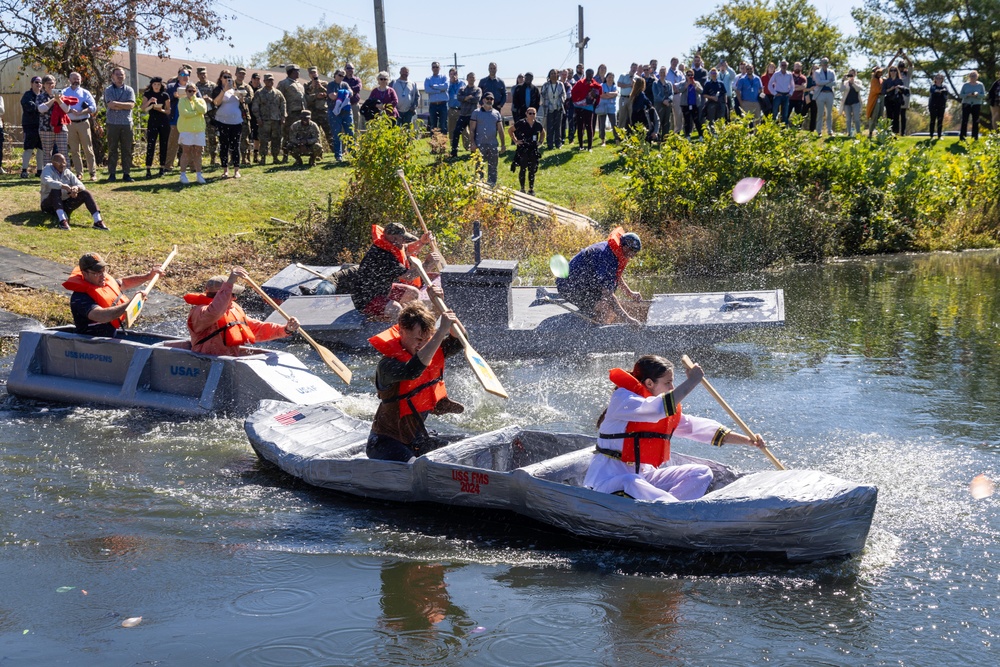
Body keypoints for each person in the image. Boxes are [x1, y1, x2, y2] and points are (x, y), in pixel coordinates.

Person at [583, 356, 766, 502]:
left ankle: (671, 514)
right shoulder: (624, 400)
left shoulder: (660, 408)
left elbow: (696, 428)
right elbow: (656, 409)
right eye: (668, 383)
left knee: (701, 472)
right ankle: (675, 513)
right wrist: (692, 382)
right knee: (631, 481)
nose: (672, 387)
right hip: (606, 484)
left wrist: (748, 441)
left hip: (644, 478)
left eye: (673, 382)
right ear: (649, 383)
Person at [366, 300, 466, 463]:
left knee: (465, 445)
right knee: (418, 468)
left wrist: (441, 306)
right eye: (418, 339)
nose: (422, 345)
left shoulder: (431, 351)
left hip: (417, 440)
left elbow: (460, 340)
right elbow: (412, 370)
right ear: (402, 330)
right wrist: (441, 332)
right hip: (386, 444)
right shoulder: (387, 366)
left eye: (427, 340)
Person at [186, 267, 299, 356]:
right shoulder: (200, 311)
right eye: (232, 294)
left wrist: (286, 329)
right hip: (205, 362)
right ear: (221, 295)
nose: (235, 298)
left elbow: (257, 329)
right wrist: (230, 282)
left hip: (228, 361)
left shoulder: (233, 309)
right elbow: (215, 311)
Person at [351, 222, 439, 320]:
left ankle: (410, 322)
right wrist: (427, 265)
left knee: (413, 293)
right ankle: (395, 329)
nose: (404, 241)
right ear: (393, 238)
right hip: (366, 299)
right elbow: (408, 276)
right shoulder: (383, 256)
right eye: (402, 238)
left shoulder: (390, 244)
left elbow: (407, 249)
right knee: (396, 309)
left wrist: (422, 242)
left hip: (383, 290)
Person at [555, 227, 644, 325]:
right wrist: (627, 319)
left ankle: (598, 322)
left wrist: (629, 293)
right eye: (633, 252)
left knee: (608, 304)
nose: (632, 256)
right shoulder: (606, 257)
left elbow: (614, 275)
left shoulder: (615, 251)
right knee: (606, 307)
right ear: (626, 247)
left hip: (584, 283)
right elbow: (608, 293)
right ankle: (597, 334)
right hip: (569, 287)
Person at [63, 252, 164, 336]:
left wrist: (147, 276)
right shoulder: (80, 298)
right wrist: (130, 304)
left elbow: (124, 283)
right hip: (92, 345)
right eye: (97, 273)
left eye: (104, 271)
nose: (103, 276)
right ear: (85, 274)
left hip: (111, 337)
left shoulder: (104, 282)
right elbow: (101, 316)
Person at [41, 153, 108, 231]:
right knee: (55, 190)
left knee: (85, 193)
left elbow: (81, 185)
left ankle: (98, 221)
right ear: (53, 163)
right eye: (60, 163)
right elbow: (47, 181)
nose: (63, 165)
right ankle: (62, 221)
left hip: (64, 203)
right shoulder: (47, 169)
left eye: (64, 163)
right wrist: (63, 186)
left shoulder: (67, 171)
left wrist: (76, 188)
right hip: (49, 204)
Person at [62, 72, 98, 181]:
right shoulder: (64, 92)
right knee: (74, 150)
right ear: (69, 79)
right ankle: (79, 173)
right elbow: (59, 105)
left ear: (81, 80)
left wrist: (83, 111)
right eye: (74, 78)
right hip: (70, 123)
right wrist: (69, 110)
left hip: (83, 122)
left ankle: (92, 173)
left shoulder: (85, 93)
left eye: (78, 78)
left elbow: (93, 107)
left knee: (88, 148)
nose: (76, 80)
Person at [103, 67, 136, 182]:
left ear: (124, 76)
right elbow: (110, 105)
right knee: (112, 149)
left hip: (126, 123)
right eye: (117, 74)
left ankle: (126, 174)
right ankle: (112, 174)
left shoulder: (129, 90)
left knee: (126, 149)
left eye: (121, 74)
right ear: (112, 76)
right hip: (112, 123)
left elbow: (131, 105)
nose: (119, 76)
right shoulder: (108, 90)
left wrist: (116, 104)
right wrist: (123, 105)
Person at [212, 69, 244, 178]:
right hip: (222, 122)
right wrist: (224, 90)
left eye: (229, 77)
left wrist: (241, 98)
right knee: (224, 145)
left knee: (235, 146)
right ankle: (225, 170)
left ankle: (236, 170)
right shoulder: (218, 89)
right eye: (225, 77)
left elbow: (242, 103)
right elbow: (216, 103)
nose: (227, 79)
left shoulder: (235, 90)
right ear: (221, 78)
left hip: (236, 122)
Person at [469, 92, 505, 187]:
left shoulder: (496, 113)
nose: (489, 100)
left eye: (491, 99)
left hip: (493, 144)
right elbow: (472, 129)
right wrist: (472, 143)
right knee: (479, 167)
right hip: (479, 145)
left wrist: (503, 144)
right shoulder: (476, 112)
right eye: (487, 98)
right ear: (483, 100)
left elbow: (501, 130)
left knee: (493, 168)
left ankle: (491, 186)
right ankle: (480, 186)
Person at [35, 76, 70, 168]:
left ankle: (66, 173)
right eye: (48, 83)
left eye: (52, 83)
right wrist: (53, 100)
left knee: (64, 152)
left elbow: (66, 110)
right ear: (44, 85)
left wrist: (59, 100)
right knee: (47, 153)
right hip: (46, 128)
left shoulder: (63, 96)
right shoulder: (40, 97)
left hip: (61, 127)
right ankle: (48, 174)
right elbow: (41, 109)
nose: (50, 85)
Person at [177, 82, 208, 184]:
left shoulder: (200, 100)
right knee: (186, 151)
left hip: (199, 130)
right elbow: (184, 113)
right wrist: (196, 113)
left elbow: (203, 110)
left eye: (193, 91)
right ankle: (183, 175)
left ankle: (199, 174)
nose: (191, 93)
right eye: (189, 91)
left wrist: (195, 99)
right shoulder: (182, 100)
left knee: (198, 152)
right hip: (186, 130)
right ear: (186, 91)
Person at [508, 107, 544, 194]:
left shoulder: (537, 124)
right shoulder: (521, 123)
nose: (532, 115)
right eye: (530, 113)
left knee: (532, 169)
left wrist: (540, 142)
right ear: (526, 114)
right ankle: (522, 188)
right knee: (523, 168)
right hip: (523, 148)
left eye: (533, 114)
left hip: (533, 149)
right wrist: (516, 140)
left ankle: (531, 189)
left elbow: (543, 132)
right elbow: (510, 130)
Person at [141, 77, 171, 177]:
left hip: (163, 121)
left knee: (163, 144)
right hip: (152, 121)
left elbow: (168, 110)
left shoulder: (165, 95)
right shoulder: (148, 94)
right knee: (151, 144)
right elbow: (143, 108)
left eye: (158, 84)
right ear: (152, 85)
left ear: (161, 85)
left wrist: (160, 110)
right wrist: (150, 101)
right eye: (155, 84)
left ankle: (162, 168)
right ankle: (148, 169)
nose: (156, 86)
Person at [252, 73, 286, 164]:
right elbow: (255, 106)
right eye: (268, 80)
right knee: (263, 140)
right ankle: (263, 158)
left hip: (276, 120)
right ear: (264, 81)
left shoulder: (278, 93)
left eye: (271, 80)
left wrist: (283, 116)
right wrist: (258, 118)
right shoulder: (259, 93)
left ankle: (275, 157)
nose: (270, 82)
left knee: (276, 139)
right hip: (264, 121)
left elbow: (283, 104)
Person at [166, 67, 194, 169]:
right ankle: (168, 165)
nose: (185, 77)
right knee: (172, 144)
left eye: (187, 75)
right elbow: (165, 99)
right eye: (182, 75)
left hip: (188, 121)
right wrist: (173, 96)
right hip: (174, 119)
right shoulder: (171, 87)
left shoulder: (192, 87)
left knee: (189, 144)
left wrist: (190, 96)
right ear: (178, 76)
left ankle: (192, 166)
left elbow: (199, 99)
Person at [277, 64, 306, 163]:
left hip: (301, 114)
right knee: (287, 135)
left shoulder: (300, 84)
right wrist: (282, 114)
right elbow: (279, 99)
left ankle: (298, 156)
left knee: (300, 134)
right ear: (291, 72)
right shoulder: (283, 83)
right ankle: (285, 156)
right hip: (290, 114)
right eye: (296, 71)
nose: (298, 73)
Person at [450, 72, 480, 157]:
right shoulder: (462, 89)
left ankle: (474, 152)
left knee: (474, 134)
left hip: (473, 116)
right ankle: (454, 152)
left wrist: (465, 99)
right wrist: (468, 97)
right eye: (469, 77)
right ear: (467, 79)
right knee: (456, 132)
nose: (471, 79)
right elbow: (459, 98)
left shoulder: (478, 89)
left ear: (475, 79)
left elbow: (476, 99)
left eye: (473, 77)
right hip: (463, 115)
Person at [571, 68, 602, 151]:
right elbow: (573, 92)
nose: (589, 76)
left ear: (592, 74)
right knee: (580, 126)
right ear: (586, 73)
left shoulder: (595, 84)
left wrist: (594, 98)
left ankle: (589, 147)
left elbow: (598, 93)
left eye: (591, 74)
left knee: (589, 126)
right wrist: (577, 100)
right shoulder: (580, 82)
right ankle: (581, 146)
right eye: (587, 74)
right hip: (579, 107)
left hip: (588, 107)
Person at [19, 76, 44, 177]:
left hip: (42, 125)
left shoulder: (43, 95)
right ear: (32, 84)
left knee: (41, 149)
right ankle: (24, 171)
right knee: (28, 148)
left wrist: (43, 108)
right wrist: (42, 108)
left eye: (40, 82)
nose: (38, 84)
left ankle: (40, 171)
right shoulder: (27, 95)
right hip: (30, 126)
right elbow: (29, 106)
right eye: (36, 82)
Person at [194, 67, 218, 166]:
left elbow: (218, 100)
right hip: (199, 116)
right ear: (197, 75)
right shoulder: (195, 87)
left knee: (213, 138)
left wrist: (211, 100)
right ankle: (198, 159)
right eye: (200, 74)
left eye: (204, 74)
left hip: (211, 115)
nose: (202, 76)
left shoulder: (213, 86)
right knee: (199, 138)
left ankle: (213, 158)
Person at [327, 73, 354, 162]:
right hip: (335, 113)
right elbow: (332, 96)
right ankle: (338, 155)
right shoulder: (331, 85)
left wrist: (341, 93)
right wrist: (342, 93)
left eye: (343, 76)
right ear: (335, 75)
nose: (341, 77)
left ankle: (353, 153)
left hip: (346, 112)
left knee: (350, 133)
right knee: (337, 134)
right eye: (339, 75)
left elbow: (351, 93)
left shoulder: (345, 84)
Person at [304, 66, 331, 148]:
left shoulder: (324, 83)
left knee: (329, 132)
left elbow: (330, 95)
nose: (313, 74)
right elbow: (306, 98)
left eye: (314, 72)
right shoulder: (306, 85)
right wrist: (314, 93)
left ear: (317, 73)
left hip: (323, 111)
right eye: (311, 73)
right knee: (315, 133)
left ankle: (335, 151)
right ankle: (318, 152)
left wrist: (321, 87)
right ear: (309, 75)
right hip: (313, 112)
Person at [233, 67, 256, 164]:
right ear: (236, 73)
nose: (241, 75)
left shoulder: (247, 87)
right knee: (233, 137)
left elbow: (251, 98)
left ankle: (244, 158)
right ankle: (233, 158)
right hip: (232, 114)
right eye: (239, 73)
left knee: (244, 138)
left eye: (243, 74)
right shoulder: (230, 85)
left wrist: (243, 100)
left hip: (243, 115)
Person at [540, 69, 566, 149]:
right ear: (549, 75)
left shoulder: (560, 84)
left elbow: (564, 94)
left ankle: (558, 144)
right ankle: (550, 144)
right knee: (549, 127)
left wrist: (561, 100)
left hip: (558, 108)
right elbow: (542, 95)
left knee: (558, 126)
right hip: (549, 108)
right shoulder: (546, 85)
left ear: (557, 75)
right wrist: (545, 103)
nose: (553, 75)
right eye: (552, 73)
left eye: (555, 73)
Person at [959, 71, 986, 141]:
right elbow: (961, 95)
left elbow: (984, 95)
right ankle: (962, 137)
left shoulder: (980, 85)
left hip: (976, 104)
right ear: (969, 77)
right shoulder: (965, 85)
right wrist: (967, 95)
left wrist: (977, 95)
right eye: (971, 76)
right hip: (966, 104)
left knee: (975, 121)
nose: (973, 77)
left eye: (974, 76)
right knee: (964, 120)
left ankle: (975, 137)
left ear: (977, 76)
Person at [424, 61, 449, 135]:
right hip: (433, 105)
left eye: (437, 67)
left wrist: (434, 87)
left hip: (443, 104)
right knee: (433, 125)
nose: (435, 68)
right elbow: (427, 90)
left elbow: (445, 86)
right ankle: (434, 144)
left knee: (443, 125)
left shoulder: (444, 77)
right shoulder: (428, 79)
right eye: (433, 67)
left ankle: (443, 144)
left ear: (440, 68)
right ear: (431, 68)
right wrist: (439, 90)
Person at [813, 58, 837, 136]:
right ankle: (819, 131)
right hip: (820, 94)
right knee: (820, 113)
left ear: (828, 64)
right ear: (821, 64)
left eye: (826, 63)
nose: (825, 64)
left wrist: (824, 82)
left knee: (829, 113)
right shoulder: (817, 72)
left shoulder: (832, 72)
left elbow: (834, 83)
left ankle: (829, 130)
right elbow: (818, 82)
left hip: (829, 93)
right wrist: (828, 81)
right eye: (823, 63)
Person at [628, 77, 656, 141]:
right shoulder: (641, 94)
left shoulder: (633, 94)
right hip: (641, 114)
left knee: (635, 130)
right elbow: (648, 102)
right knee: (644, 130)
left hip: (634, 114)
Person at [596, 72, 620, 145]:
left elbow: (616, 94)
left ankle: (617, 140)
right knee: (602, 124)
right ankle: (603, 140)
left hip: (612, 108)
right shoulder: (601, 85)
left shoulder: (614, 86)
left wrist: (607, 94)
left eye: (612, 77)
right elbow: (601, 95)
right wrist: (610, 95)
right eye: (609, 77)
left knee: (614, 124)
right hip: (602, 107)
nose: (610, 79)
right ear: (606, 78)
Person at [679, 70, 704, 139]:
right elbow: (680, 90)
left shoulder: (696, 83)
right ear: (686, 76)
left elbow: (701, 91)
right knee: (687, 121)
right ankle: (687, 135)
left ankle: (701, 135)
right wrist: (687, 85)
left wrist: (694, 85)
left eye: (691, 75)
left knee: (697, 120)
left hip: (695, 104)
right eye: (689, 75)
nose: (690, 77)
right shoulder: (683, 83)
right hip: (685, 104)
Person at [767, 60, 794, 124]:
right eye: (782, 65)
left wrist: (790, 93)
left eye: (785, 65)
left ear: (787, 66)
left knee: (785, 114)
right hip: (778, 95)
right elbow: (770, 84)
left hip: (786, 95)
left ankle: (784, 129)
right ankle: (773, 127)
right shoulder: (776, 74)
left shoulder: (789, 74)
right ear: (780, 66)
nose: (784, 66)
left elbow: (792, 85)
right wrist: (775, 93)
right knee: (775, 112)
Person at [882, 64, 906, 135]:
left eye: (895, 70)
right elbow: (883, 91)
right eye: (891, 70)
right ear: (889, 72)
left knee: (896, 116)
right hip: (889, 100)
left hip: (897, 100)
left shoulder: (899, 81)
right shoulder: (886, 81)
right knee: (889, 116)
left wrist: (899, 89)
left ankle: (895, 132)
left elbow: (904, 91)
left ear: (897, 72)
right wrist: (890, 89)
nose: (893, 72)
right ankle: (889, 132)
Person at [446, 68, 465, 150]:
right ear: (449, 75)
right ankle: (453, 146)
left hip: (461, 109)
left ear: (457, 75)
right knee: (451, 129)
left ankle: (467, 146)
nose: (453, 76)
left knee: (464, 129)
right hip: (451, 109)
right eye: (451, 74)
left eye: (454, 74)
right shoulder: (448, 84)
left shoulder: (462, 83)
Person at [840, 69, 862, 138]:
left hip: (856, 102)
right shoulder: (846, 82)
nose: (851, 76)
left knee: (856, 118)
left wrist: (853, 83)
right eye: (850, 74)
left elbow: (858, 89)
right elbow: (841, 89)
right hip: (847, 103)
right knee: (848, 119)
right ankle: (849, 133)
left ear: (855, 74)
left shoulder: (858, 81)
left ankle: (858, 133)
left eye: (852, 74)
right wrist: (842, 81)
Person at [343, 62, 364, 131]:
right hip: (344, 105)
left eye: (351, 68)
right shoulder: (342, 80)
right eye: (348, 68)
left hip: (354, 105)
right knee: (345, 124)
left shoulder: (357, 80)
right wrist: (351, 91)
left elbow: (358, 88)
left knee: (356, 123)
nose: (350, 70)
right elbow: (340, 90)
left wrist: (348, 91)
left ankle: (355, 140)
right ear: (345, 69)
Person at [617, 63, 638, 129]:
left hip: (632, 98)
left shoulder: (637, 78)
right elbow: (619, 84)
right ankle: (620, 134)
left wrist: (633, 84)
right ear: (630, 67)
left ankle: (631, 133)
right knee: (622, 116)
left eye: (635, 68)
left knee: (632, 116)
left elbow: (638, 88)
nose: (634, 69)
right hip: (623, 98)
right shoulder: (623, 75)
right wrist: (629, 85)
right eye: (633, 67)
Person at [866, 66, 885, 138]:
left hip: (881, 98)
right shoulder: (874, 80)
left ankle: (879, 133)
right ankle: (870, 132)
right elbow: (878, 90)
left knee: (880, 116)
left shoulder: (881, 80)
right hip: (875, 99)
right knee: (874, 115)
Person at [928, 74, 949, 140]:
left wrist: (941, 91)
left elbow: (946, 92)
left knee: (940, 120)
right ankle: (931, 135)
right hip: (933, 105)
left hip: (941, 105)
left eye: (940, 78)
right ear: (935, 79)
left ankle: (939, 135)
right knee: (932, 120)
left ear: (942, 79)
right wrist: (937, 91)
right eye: (937, 78)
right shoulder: (933, 86)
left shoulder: (944, 86)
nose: (938, 79)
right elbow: (932, 91)